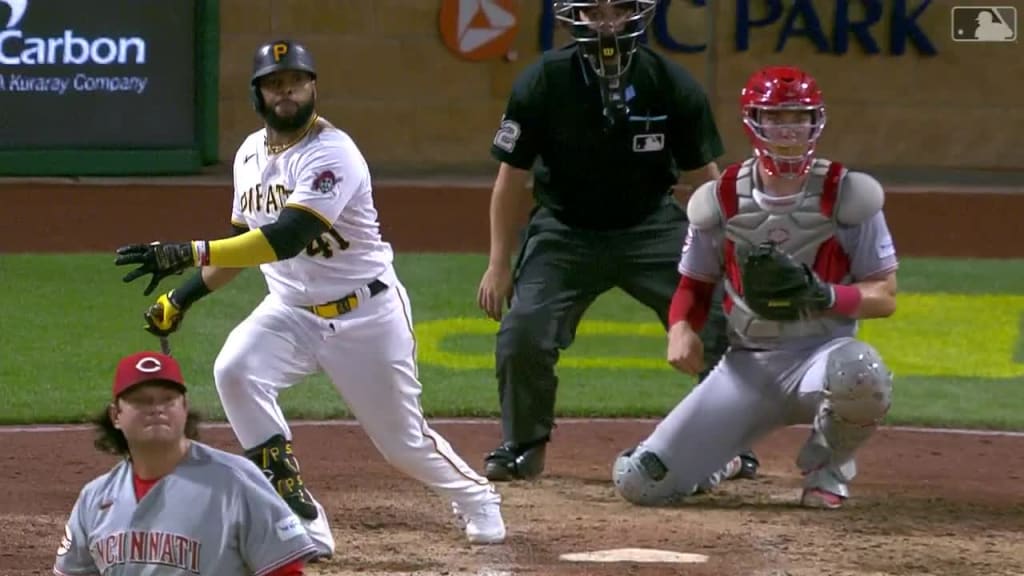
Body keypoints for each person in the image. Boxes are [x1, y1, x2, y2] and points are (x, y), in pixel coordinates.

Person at [112, 39, 506, 548]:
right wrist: (181, 298)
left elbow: (285, 237)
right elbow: (241, 247)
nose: (287, 91)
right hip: (291, 312)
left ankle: (476, 496)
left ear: (313, 87)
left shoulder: (332, 154)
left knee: (401, 443)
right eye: (275, 83)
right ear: (257, 93)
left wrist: (184, 252)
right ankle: (300, 513)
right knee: (235, 370)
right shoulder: (250, 155)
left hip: (366, 313)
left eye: (296, 81)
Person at [476, 0, 759, 482]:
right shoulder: (543, 81)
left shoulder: (670, 84)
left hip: (651, 225)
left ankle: (727, 442)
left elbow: (706, 183)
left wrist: (729, 254)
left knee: (719, 319)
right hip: (564, 230)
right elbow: (511, 179)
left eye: (619, 10)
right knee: (523, 330)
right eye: (594, 12)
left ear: (638, 13)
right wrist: (498, 264)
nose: (607, 22)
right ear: (574, 17)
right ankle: (523, 444)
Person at [611, 65, 898, 509]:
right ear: (754, 122)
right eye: (775, 117)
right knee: (641, 482)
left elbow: (884, 296)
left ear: (815, 121)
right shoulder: (720, 197)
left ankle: (828, 471)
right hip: (749, 367)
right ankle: (720, 457)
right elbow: (693, 284)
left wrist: (827, 296)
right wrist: (681, 328)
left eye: (798, 117)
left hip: (821, 359)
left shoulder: (847, 194)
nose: (788, 130)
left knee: (862, 372)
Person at [53, 351, 320, 576]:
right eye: (141, 400)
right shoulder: (94, 498)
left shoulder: (236, 481)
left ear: (184, 407)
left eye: (168, 399)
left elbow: (286, 571)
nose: (156, 408)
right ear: (116, 416)